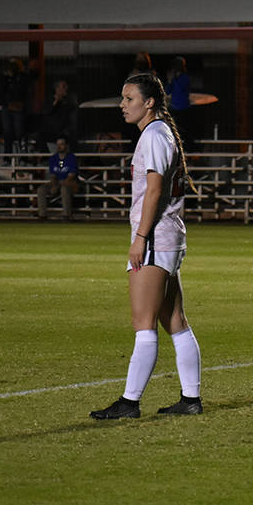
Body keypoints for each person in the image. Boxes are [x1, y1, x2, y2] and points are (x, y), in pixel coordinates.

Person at [90, 72, 203, 420]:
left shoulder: (153, 135)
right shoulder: (160, 133)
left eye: (129, 99)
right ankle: (190, 399)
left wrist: (139, 239)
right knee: (175, 321)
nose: (122, 105)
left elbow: (154, 191)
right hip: (167, 237)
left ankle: (129, 402)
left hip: (155, 239)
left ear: (148, 102)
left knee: (144, 323)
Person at [38, 136, 79, 220]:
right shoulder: (53, 158)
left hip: (69, 183)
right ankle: (42, 215)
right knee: (41, 189)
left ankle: (67, 215)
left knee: (64, 189)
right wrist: (54, 184)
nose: (59, 146)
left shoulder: (71, 158)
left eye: (61, 144)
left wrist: (58, 185)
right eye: (58, 144)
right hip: (57, 182)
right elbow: (53, 175)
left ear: (66, 146)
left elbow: (71, 176)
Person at [38, 80, 78, 151]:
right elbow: (46, 112)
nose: (66, 89)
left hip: (65, 136)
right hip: (52, 137)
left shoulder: (67, 102)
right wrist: (56, 102)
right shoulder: (49, 101)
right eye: (63, 87)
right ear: (57, 89)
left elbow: (71, 114)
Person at [0, 58, 28, 156]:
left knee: (20, 132)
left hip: (18, 107)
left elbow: (23, 91)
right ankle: (7, 157)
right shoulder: (5, 79)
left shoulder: (22, 78)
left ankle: (23, 156)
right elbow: (2, 91)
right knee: (7, 133)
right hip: (7, 107)